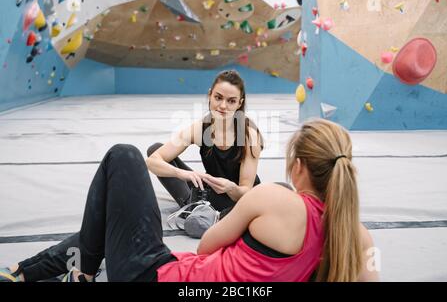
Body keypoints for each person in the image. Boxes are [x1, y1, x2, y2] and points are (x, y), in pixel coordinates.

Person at [1, 118, 379, 282]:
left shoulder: (275, 197)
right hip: (193, 217)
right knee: (106, 234)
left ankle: (65, 272)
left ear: (297, 167)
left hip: (154, 274)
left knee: (123, 156)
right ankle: (27, 271)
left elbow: (206, 248)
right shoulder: (359, 238)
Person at [146, 70, 264, 215]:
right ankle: (196, 205)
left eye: (231, 101)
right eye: (218, 97)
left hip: (237, 199)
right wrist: (181, 174)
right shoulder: (200, 128)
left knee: (230, 204)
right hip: (210, 188)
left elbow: (246, 191)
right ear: (210, 95)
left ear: (240, 103)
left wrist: (230, 188)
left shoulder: (249, 135)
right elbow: (152, 161)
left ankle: (195, 206)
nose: (223, 106)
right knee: (155, 149)